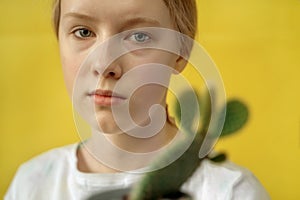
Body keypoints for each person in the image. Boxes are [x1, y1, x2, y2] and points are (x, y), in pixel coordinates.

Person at [5, 0, 270, 199]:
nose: (104, 63)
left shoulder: (230, 192)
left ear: (180, 53)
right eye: (83, 32)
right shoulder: (31, 184)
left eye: (139, 36)